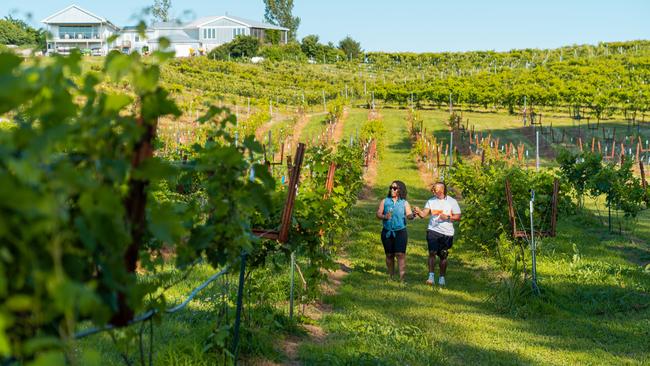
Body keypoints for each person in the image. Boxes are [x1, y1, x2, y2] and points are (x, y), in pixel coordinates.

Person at [414, 182, 461, 287]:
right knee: (432, 252)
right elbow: (423, 215)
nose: (434, 191)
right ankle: (431, 277)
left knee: (443, 255)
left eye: (435, 190)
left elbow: (458, 216)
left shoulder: (452, 202)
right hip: (433, 230)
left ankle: (442, 278)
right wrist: (418, 211)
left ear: (442, 190)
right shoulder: (431, 201)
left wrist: (448, 218)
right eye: (433, 190)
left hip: (447, 233)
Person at [376, 180, 416, 282]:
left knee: (400, 254)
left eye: (394, 188)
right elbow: (378, 214)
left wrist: (413, 215)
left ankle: (402, 278)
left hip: (400, 232)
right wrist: (384, 216)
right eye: (391, 187)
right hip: (387, 232)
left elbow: (409, 215)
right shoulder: (385, 201)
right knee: (389, 255)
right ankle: (391, 276)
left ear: (400, 190)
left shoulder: (404, 203)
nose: (392, 190)